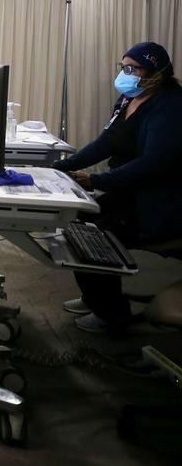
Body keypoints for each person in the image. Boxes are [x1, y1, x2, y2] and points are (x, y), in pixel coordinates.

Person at [54, 41, 182, 333]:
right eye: (123, 66)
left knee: (97, 232)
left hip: (159, 204)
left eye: (132, 68)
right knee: (77, 221)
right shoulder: (128, 99)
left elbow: (153, 163)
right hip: (129, 194)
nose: (125, 74)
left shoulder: (170, 107)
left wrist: (96, 180)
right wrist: (61, 167)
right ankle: (95, 298)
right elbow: (106, 143)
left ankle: (112, 315)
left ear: (156, 73)